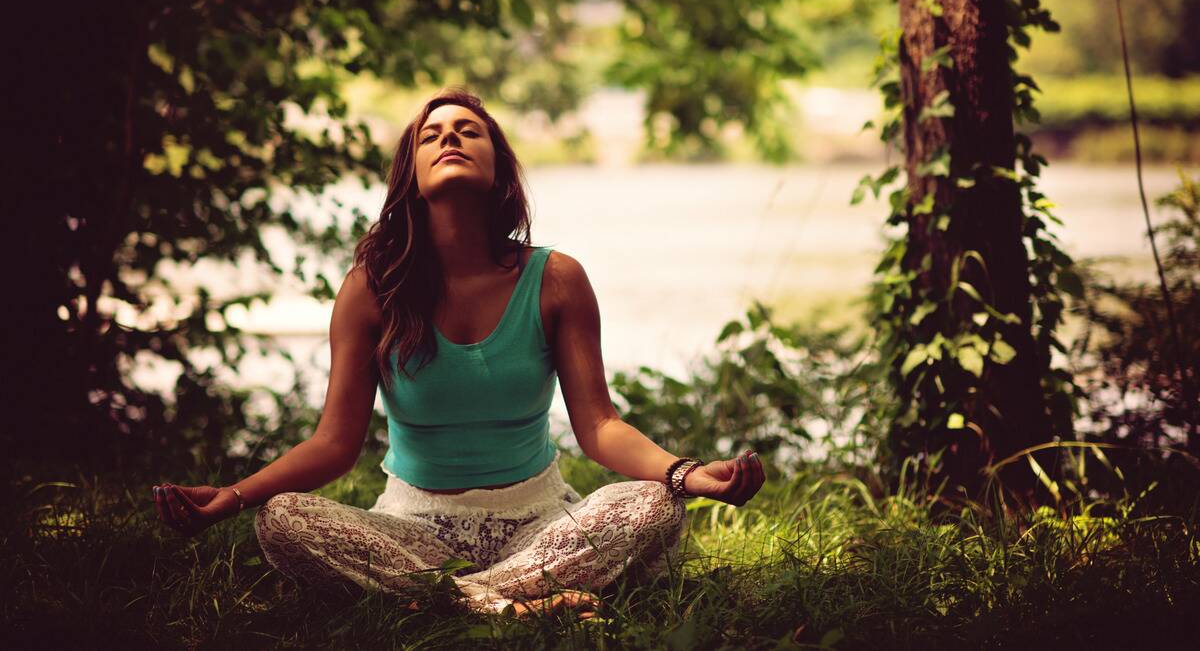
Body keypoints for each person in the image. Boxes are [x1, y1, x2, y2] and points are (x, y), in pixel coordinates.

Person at [151, 86, 766, 617]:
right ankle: (506, 601)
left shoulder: (557, 279)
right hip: (414, 530)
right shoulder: (372, 289)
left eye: (468, 131)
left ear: (497, 166)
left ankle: (462, 598)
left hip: (543, 526)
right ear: (411, 176)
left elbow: (600, 426)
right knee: (282, 520)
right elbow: (334, 444)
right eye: (432, 135)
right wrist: (231, 497)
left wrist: (685, 474)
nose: (450, 139)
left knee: (656, 503)